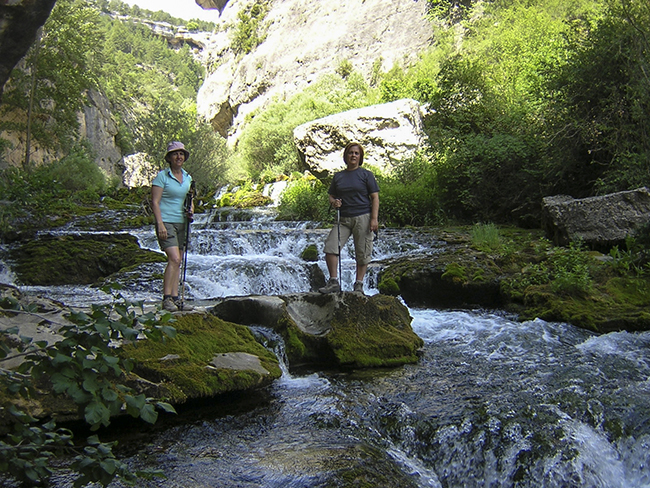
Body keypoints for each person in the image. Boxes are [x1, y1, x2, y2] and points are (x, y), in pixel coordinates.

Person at [319, 142, 379, 294]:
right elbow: (331, 196)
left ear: (360, 157)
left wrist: (374, 219)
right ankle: (333, 282)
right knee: (331, 248)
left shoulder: (366, 175)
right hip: (343, 218)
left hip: (363, 217)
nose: (353, 155)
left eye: (356, 153)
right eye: (350, 153)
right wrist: (334, 202)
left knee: (363, 253)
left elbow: (375, 198)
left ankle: (358, 285)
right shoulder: (338, 176)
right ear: (345, 156)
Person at [151, 141, 194, 312]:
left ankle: (176, 299)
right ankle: (166, 298)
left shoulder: (188, 178)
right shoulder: (162, 177)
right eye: (175, 154)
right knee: (174, 259)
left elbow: (190, 200)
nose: (179, 157)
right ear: (169, 158)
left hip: (182, 222)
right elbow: (155, 202)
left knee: (179, 261)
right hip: (166, 222)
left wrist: (191, 209)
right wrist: (160, 224)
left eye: (181, 154)